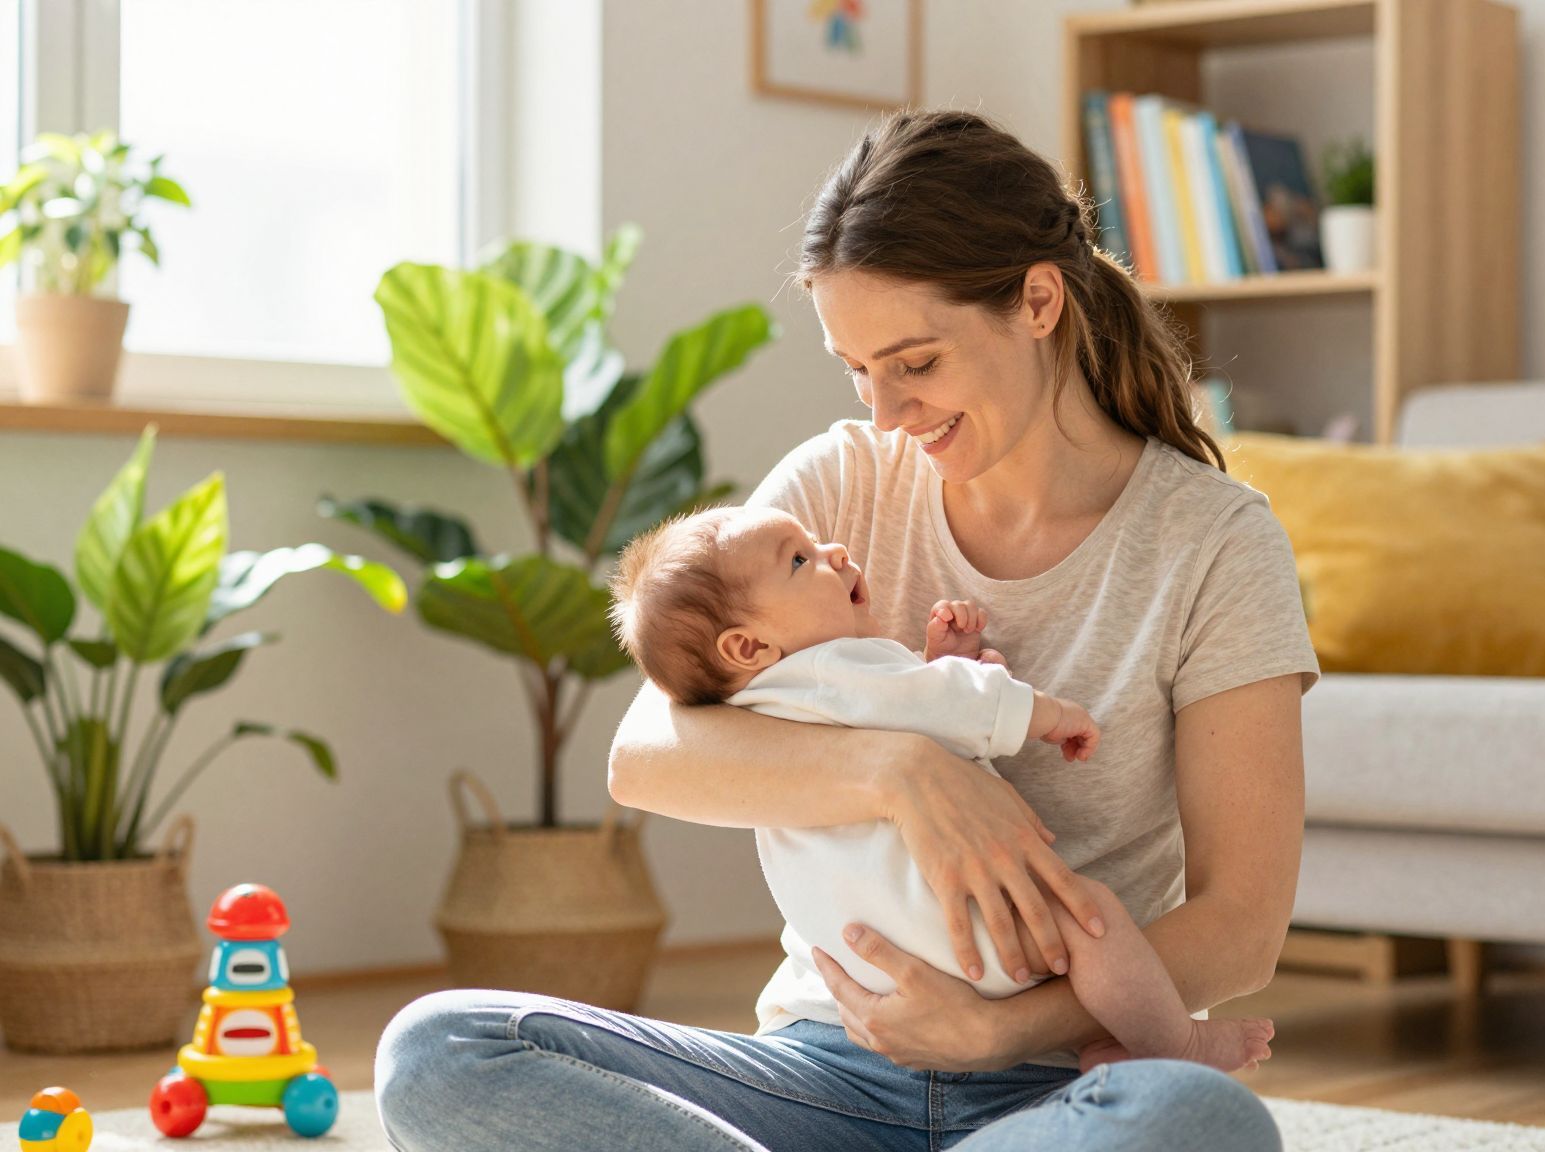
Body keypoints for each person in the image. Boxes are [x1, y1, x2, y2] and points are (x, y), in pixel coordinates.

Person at [374, 106, 1317, 1152]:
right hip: (819, 1073)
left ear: (1037, 300)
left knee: (1197, 1120)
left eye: (914, 362)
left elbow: (1242, 925)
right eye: (856, 369)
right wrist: (901, 772)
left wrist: (997, 1032)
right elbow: (646, 757)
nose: (885, 412)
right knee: (442, 1049)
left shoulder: (1215, 542)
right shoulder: (834, 484)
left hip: (1057, 1093)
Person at [603, 502, 1278, 1074]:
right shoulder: (833, 669)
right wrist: (1046, 714)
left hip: (877, 973)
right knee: (1092, 920)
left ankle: (1104, 1040)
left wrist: (934, 667)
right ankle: (1174, 1040)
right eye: (800, 561)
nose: (832, 550)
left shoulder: (752, 717)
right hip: (975, 941)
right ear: (748, 648)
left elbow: (908, 710)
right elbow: (952, 706)